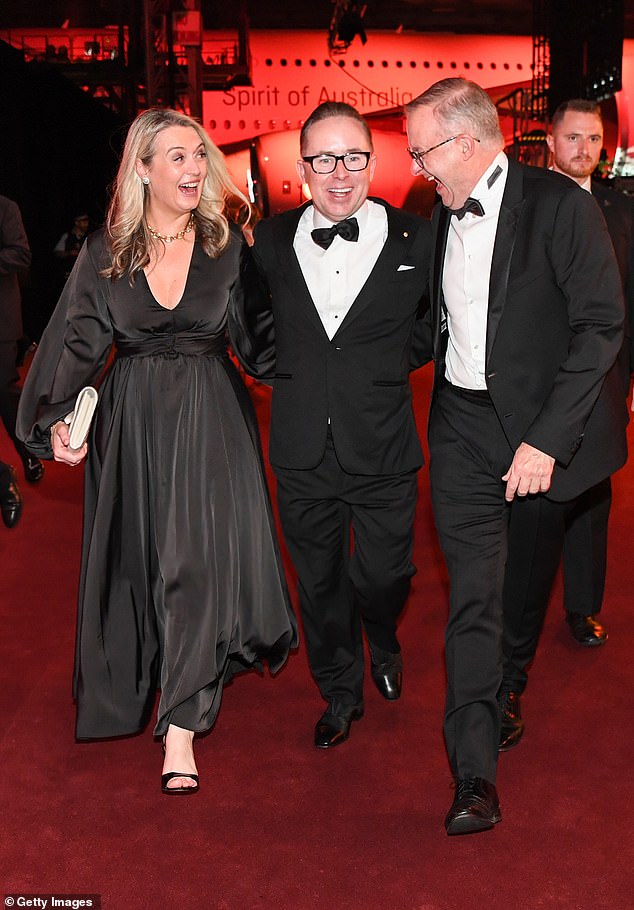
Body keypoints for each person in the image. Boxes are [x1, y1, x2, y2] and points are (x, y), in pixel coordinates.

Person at [17, 108, 297, 795]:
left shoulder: (229, 245)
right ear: (142, 168)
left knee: (195, 562)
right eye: (176, 157)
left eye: (198, 156)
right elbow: (75, 345)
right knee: (150, 563)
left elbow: (262, 347)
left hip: (213, 421)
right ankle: (163, 677)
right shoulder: (105, 253)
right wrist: (56, 421)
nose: (193, 168)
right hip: (132, 424)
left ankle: (181, 727)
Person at [404, 78, 626, 835]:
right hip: (461, 430)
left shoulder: (562, 207)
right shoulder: (432, 213)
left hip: (539, 437)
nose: (416, 165)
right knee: (474, 599)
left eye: (422, 149)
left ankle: (512, 685)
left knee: (523, 592)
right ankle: (474, 779)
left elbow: (601, 327)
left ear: (467, 141)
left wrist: (545, 438)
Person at [231, 101, 431, 750]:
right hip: (300, 451)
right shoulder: (268, 242)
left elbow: (438, 321)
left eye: (352, 157)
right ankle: (340, 691)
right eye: (323, 158)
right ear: (303, 165)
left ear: (373, 162)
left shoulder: (416, 238)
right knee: (317, 586)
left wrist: (385, 366)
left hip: (384, 448)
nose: (338, 172)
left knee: (383, 576)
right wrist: (283, 375)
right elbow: (251, 325)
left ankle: (383, 633)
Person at [499, 99, 634, 751]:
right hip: (540, 388)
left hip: (605, 379)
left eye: (595, 138)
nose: (584, 147)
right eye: (573, 136)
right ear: (549, 140)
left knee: (593, 496)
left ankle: (582, 606)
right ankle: (514, 646)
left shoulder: (623, 206)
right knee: (542, 508)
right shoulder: (526, 206)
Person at [0, 193, 44, 497]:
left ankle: (27, 453)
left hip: (1, 322)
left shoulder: (5, 207)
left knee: (4, 393)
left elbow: (21, 254)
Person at [53, 213, 91, 279]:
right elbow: (57, 253)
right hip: (69, 274)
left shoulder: (89, 237)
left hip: (85, 274)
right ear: (77, 222)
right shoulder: (67, 236)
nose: (87, 224)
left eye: (87, 221)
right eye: (84, 221)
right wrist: (69, 253)